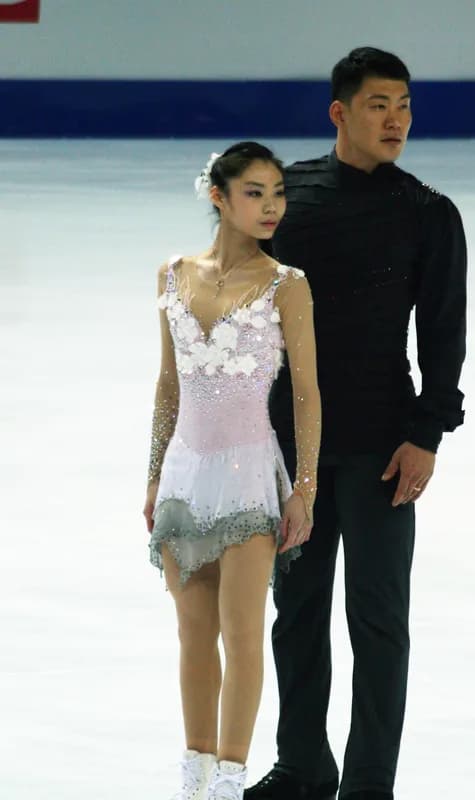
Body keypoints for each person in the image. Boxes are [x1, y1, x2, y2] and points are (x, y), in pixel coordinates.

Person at [245, 48, 467, 800]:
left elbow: (443, 333)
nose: (396, 119)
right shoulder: (286, 199)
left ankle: (370, 783)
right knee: (297, 614)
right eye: (379, 105)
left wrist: (427, 434)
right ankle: (303, 767)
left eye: (404, 104)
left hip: (381, 447)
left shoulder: (428, 213)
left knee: (377, 619)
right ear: (340, 112)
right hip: (290, 450)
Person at [143, 142, 321, 800]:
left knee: (244, 636)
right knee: (194, 636)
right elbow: (169, 385)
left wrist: (304, 489)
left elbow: (306, 394)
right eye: (255, 192)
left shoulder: (286, 283)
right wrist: (154, 477)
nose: (272, 206)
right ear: (218, 196)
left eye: (278, 193)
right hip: (185, 477)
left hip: (249, 477)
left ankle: (229, 783)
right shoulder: (171, 274)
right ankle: (194, 783)